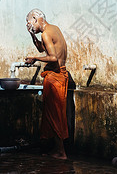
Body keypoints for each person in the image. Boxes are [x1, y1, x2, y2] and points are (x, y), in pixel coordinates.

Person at [25, 9, 69, 160]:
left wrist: (35, 58)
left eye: (29, 22)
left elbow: (52, 58)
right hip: (60, 75)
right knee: (55, 114)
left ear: (36, 18)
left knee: (54, 115)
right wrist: (32, 35)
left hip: (54, 77)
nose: (28, 25)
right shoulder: (53, 29)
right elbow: (43, 48)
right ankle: (57, 150)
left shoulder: (45, 33)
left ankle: (61, 152)